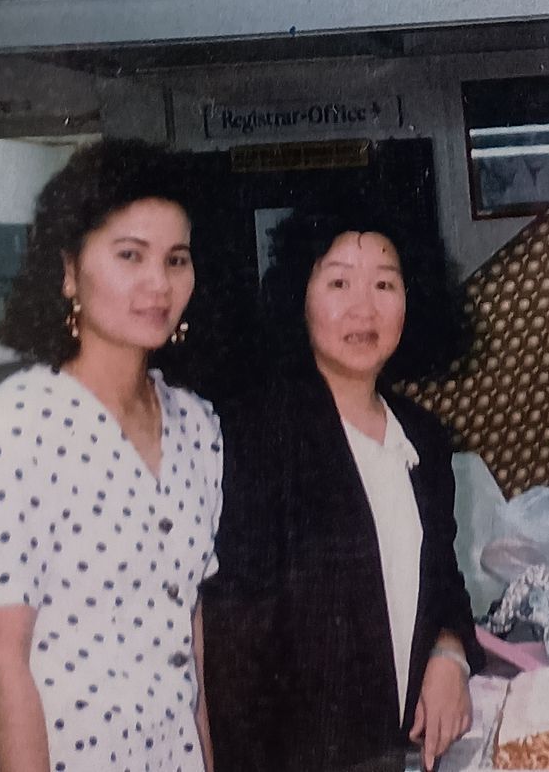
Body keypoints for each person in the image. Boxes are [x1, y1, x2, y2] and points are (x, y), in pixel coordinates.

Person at [0, 143, 222, 772]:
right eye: (129, 255)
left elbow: (187, 633)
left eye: (177, 259)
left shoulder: (198, 427)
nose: (158, 283)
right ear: (68, 272)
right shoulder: (8, 434)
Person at [203, 209, 480, 772]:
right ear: (296, 300)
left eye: (384, 282)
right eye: (338, 282)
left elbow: (444, 580)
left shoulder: (422, 437)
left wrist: (451, 650)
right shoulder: (256, 436)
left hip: (403, 755)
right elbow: (235, 654)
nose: (364, 307)